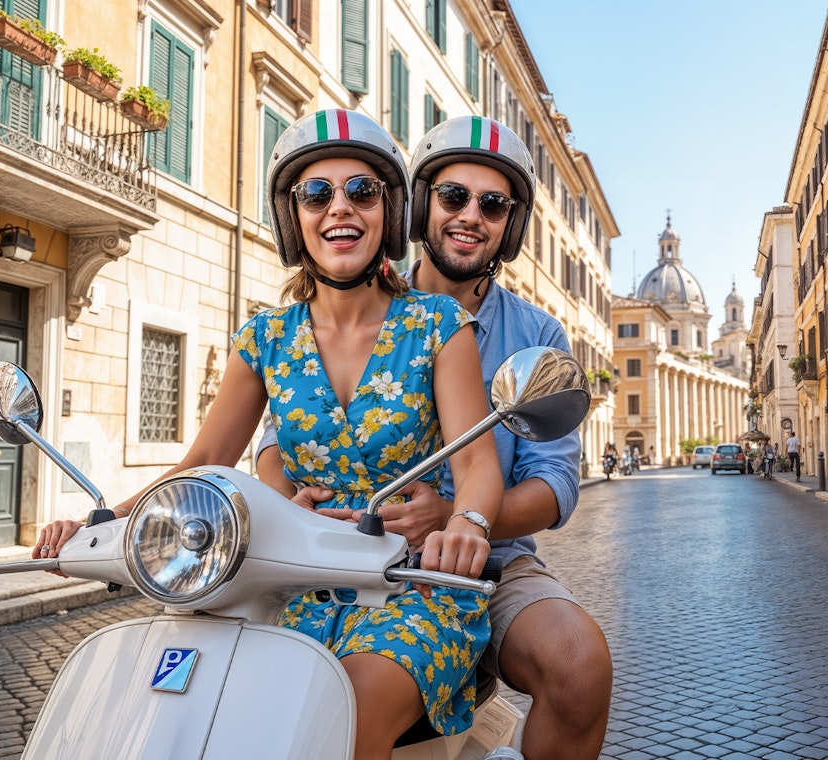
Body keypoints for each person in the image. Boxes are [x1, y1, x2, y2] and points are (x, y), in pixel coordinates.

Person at [34, 108, 504, 760]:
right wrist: (100, 523)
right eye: (317, 193)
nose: (339, 207)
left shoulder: (437, 324)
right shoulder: (264, 339)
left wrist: (469, 524)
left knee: (342, 714)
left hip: (410, 587)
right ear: (294, 217)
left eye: (361, 191)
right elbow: (202, 461)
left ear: (388, 213)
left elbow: (478, 459)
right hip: (291, 585)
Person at [257, 115, 612, 760]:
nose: (470, 216)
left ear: (513, 224)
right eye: (453, 197)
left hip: (488, 561)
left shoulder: (540, 335)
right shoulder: (350, 297)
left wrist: (457, 518)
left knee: (579, 665)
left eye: (494, 204)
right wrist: (289, 503)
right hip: (340, 551)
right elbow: (276, 433)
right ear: (418, 206)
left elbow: (556, 486)